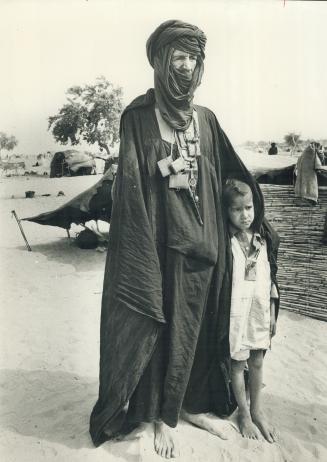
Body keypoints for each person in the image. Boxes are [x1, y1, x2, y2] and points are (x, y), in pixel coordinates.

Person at [89, 20, 265, 458]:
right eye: (178, 58)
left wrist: (247, 227)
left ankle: (195, 406)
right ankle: (152, 416)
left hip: (206, 250)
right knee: (159, 326)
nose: (186, 67)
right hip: (161, 248)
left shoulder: (206, 120)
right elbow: (129, 191)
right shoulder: (138, 117)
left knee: (204, 331)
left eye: (193, 59)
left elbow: (230, 176)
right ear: (160, 62)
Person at [222, 179, 279, 443]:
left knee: (257, 360)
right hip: (236, 311)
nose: (244, 215)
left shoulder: (262, 238)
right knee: (237, 362)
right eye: (237, 209)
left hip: (258, 309)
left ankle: (256, 409)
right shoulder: (225, 241)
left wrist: (273, 310)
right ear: (226, 211)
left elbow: (270, 279)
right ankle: (243, 412)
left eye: (248, 207)